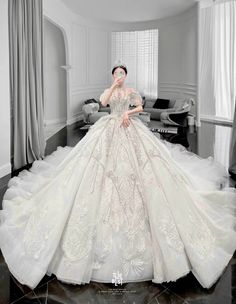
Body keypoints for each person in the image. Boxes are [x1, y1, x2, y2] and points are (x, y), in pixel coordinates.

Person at [0, 61, 236, 290]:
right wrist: (113, 87)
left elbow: (141, 107)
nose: (120, 75)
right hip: (108, 126)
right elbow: (103, 103)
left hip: (128, 125)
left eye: (122, 72)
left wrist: (129, 113)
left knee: (145, 169)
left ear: (126, 74)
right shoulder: (109, 89)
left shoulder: (132, 91)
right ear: (113, 75)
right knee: (92, 168)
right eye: (116, 72)